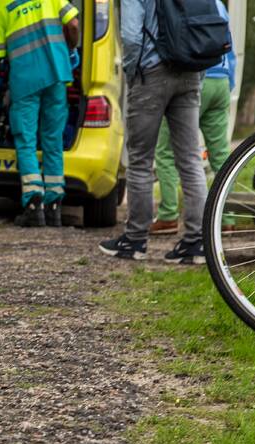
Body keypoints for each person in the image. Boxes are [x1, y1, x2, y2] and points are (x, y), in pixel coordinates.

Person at [98, 0, 208, 264]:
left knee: (140, 161)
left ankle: (134, 240)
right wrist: (196, 74)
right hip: (190, 71)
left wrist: (133, 72)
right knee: (191, 160)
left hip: (151, 72)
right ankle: (196, 243)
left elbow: (131, 35)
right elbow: (206, 26)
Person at [0, 0, 80, 227]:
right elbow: (74, 24)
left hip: (25, 79)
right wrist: (70, 50)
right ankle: (54, 206)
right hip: (57, 74)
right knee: (53, 140)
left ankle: (33, 203)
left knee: (26, 140)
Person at [151, 0, 236, 235]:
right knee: (220, 155)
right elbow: (229, 43)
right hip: (221, 81)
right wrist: (229, 84)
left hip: (197, 78)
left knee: (166, 151)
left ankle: (168, 215)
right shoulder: (217, 4)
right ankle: (226, 218)